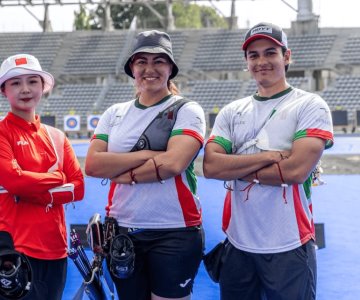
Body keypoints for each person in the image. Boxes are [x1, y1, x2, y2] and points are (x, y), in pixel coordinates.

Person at [203, 22, 334, 300]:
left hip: (290, 243)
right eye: (254, 55)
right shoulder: (231, 111)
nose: (262, 61)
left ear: (286, 57)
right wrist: (268, 158)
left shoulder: (310, 105)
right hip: (238, 245)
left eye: (270, 53)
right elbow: (211, 167)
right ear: (247, 62)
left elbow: (296, 171)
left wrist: (236, 167)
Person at [85, 30, 206, 300]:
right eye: (141, 61)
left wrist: (120, 170)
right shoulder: (114, 113)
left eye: (159, 61)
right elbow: (93, 165)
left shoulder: (186, 109)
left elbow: (173, 163)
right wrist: (148, 154)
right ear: (132, 68)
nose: (149, 69)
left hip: (175, 229)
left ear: (171, 68)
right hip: (123, 229)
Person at [0, 54, 85, 300]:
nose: (25, 89)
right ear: (4, 90)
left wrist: (30, 190)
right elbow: (14, 180)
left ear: (42, 87)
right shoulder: (2, 132)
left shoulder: (57, 137)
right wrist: (58, 177)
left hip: (55, 248)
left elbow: (78, 188)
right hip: (13, 247)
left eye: (32, 81)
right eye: (15, 83)